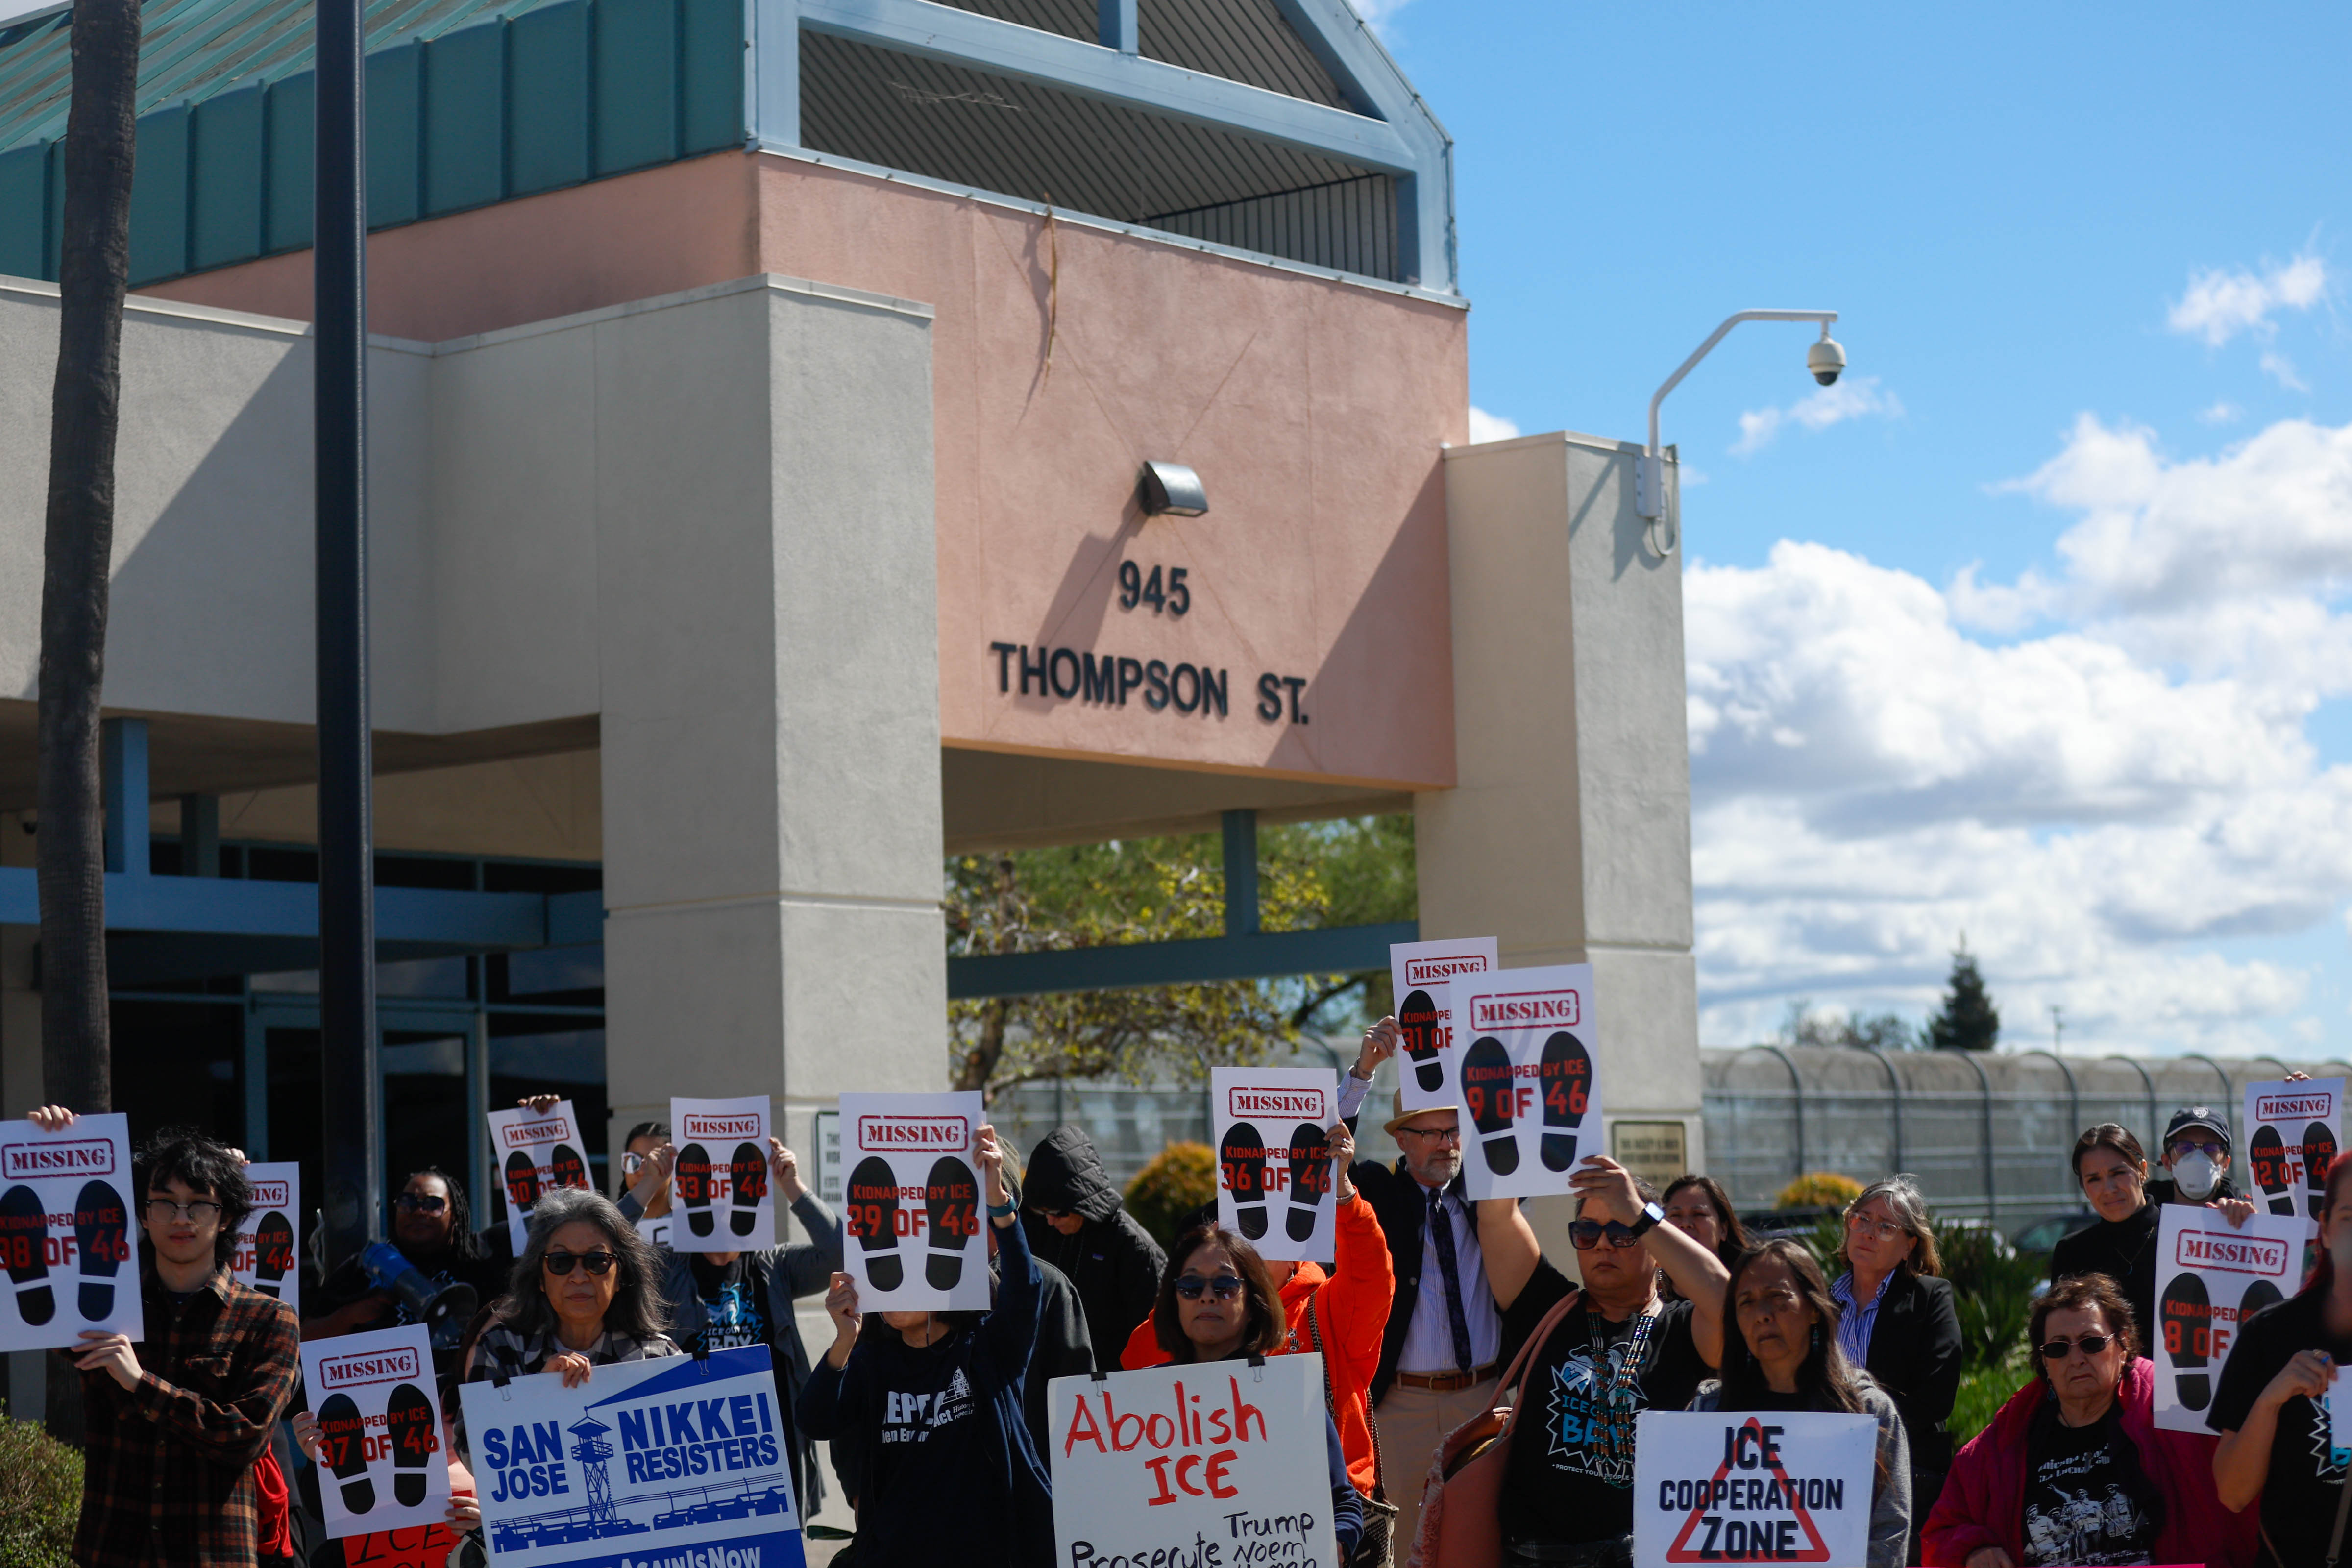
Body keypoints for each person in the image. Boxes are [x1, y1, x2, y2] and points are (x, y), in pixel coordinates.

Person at [30, 1107, 303, 1568]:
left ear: (227, 1217)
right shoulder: (101, 1306)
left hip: (213, 1555)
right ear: (142, 1213)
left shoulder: (268, 1318)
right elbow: (45, 1272)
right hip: (114, 1550)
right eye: (164, 1202)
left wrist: (141, 1383)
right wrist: (54, 1148)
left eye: (199, 1203)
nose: (182, 1218)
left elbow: (247, 1435)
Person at [802, 1124, 1056, 1568]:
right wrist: (843, 1343)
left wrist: (997, 1199)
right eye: (881, 1267)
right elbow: (815, 1420)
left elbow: (1026, 1287)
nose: (887, 1285)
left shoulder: (988, 1349)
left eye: (901, 1268)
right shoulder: (871, 1361)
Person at [1120, 1123, 1394, 1510]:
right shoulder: (1206, 1312)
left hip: (1329, 1513)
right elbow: (1139, 1362)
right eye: (1239, 1235)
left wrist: (1344, 1196)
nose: (1251, 1248)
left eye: (1262, 1231)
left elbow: (1372, 1275)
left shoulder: (1326, 1309)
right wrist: (1197, 1278)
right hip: (1228, 1517)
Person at [1474, 1155, 1730, 1567]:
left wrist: (1637, 1211)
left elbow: (1726, 1300)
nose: (1603, 1244)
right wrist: (1509, 1127)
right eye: (1588, 1231)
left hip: (1644, 1552)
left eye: (1623, 1231)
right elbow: (1496, 1216)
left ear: (1653, 1241)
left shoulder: (1683, 1328)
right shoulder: (1547, 1304)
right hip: (1536, 1553)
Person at [1926, 1274, 2255, 1567]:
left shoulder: (2177, 1416)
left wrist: (2232, 1230)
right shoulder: (2000, 1446)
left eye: (2092, 1343)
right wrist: (1973, 1550)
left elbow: (2247, 1461)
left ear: (2123, 1347)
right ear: (2044, 1362)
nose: (2076, 1358)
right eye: (2058, 1348)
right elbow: (1942, 1532)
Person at [1344, 1017, 1518, 1548]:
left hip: (1485, 1396)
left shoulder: (1486, 1191)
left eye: (1454, 1130)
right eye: (1433, 1132)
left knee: (1483, 1540)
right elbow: (1324, 1155)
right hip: (1403, 1404)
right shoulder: (1379, 1190)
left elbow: (1519, 1133)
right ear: (1403, 1138)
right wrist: (1364, 1069)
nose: (1448, 1143)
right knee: (1405, 1543)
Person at [615, 1134, 843, 1520]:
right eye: (707, 1195)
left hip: (772, 1449)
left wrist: (793, 1187)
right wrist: (651, 1183)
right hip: (696, 1452)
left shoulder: (776, 1266)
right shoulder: (668, 1267)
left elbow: (843, 1253)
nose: (722, 1204)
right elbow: (602, 1245)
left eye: (736, 1193)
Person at [1142, 1218, 1365, 1559]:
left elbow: (1343, 1504)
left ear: (1253, 1304)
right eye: (1190, 1286)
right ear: (1174, 1299)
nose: (1206, 1298)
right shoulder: (1140, 1401)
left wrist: (1333, 1546)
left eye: (1225, 1286)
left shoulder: (1290, 1392)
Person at [1691, 1240, 1911, 1568]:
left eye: (1777, 1298)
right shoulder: (1706, 1414)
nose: (1762, 1315)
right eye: (1746, 1303)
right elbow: (1683, 1524)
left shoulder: (1868, 1412)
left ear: (1813, 1309)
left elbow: (1889, 1532)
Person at [2210, 1150, 2352, 1568]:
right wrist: (2271, 1400)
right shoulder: (2271, 1335)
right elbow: (2233, 1494)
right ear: (2324, 1230)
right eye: (2350, 1218)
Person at [1831, 1175, 1963, 1559]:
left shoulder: (1930, 1298)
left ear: (1909, 1246)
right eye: (1863, 1219)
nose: (1869, 1232)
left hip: (1902, 1471)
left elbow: (1936, 1397)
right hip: (1827, 1473)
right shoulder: (1819, 1304)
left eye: (1886, 1227)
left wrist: (1864, 1435)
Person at [2052, 1118, 2257, 1339]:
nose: (2109, 1189)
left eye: (2118, 1173)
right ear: (2084, 1187)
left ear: (2142, 1170)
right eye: (2094, 1179)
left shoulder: (2190, 1237)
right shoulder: (2072, 1252)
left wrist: (2248, 1230)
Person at [461, 1186, 679, 1391]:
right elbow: (475, 1431)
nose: (578, 1277)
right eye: (560, 1262)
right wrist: (539, 1391)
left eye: (596, 1261)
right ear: (540, 1278)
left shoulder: (660, 1357)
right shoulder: (500, 1350)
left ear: (621, 1275)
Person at [1020, 1126, 1165, 1372]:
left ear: (1081, 1202)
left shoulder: (1133, 1247)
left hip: (1110, 1391)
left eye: (1057, 1212)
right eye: (1041, 1212)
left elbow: (1156, 1336)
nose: (1050, 1220)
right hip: (1050, 1385)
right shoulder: (1042, 1231)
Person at [1661, 1173, 1750, 1302]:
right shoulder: (1648, 1298)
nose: (1686, 1224)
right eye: (1676, 1215)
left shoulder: (1746, 1293)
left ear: (1723, 1229)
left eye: (1699, 1214)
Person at [619, 1119, 674, 1247]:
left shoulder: (691, 1229)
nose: (643, 1172)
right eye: (633, 1161)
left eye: (655, 1162)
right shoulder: (607, 1227)